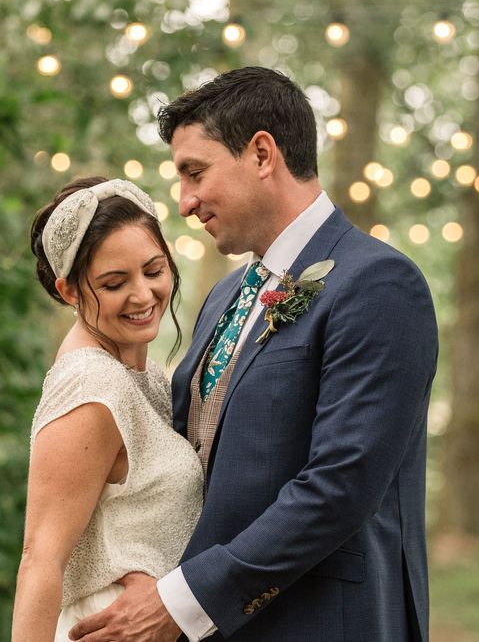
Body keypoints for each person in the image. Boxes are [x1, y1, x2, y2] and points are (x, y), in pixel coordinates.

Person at [67, 67, 439, 641]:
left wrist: (182, 602)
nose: (186, 202)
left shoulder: (380, 285)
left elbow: (339, 486)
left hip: (323, 623)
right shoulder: (224, 297)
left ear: (262, 154)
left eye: (195, 173)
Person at [12, 177, 203, 642]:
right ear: (71, 291)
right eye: (115, 283)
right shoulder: (91, 386)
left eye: (153, 270)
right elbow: (40, 558)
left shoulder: (143, 377)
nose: (142, 296)